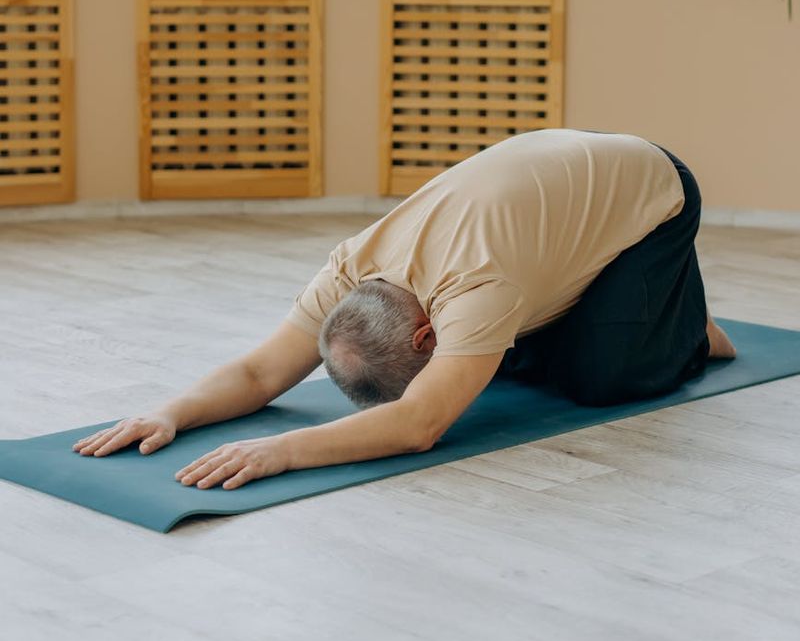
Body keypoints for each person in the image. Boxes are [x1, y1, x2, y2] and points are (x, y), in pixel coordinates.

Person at [72, 128, 736, 492]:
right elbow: (258, 375)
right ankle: (635, 307)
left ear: (427, 334)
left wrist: (282, 451)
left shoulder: (479, 287)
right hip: (554, 189)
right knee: (507, 360)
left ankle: (687, 325)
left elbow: (419, 424)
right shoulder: (351, 269)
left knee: (599, 382)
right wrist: (171, 412)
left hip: (653, 190)